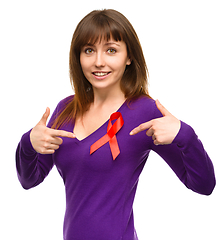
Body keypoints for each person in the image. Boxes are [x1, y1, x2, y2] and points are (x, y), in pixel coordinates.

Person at [16, 9, 216, 240]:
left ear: (129, 57)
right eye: (89, 50)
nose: (98, 62)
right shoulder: (65, 109)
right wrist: (28, 142)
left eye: (111, 50)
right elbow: (30, 180)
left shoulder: (144, 111)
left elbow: (203, 184)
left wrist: (185, 135)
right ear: (78, 56)